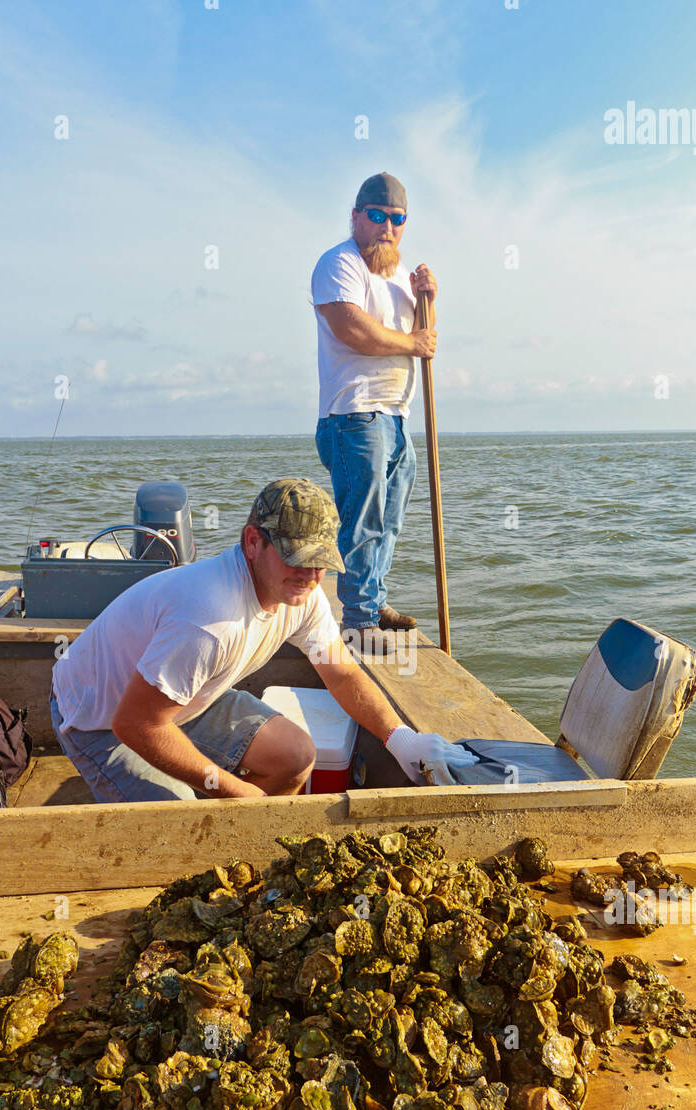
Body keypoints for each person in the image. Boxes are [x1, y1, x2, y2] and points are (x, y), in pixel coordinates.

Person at [49, 478, 474, 801]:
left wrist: (401, 739)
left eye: (321, 564)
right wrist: (238, 793)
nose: (310, 578)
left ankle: (236, 844)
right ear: (253, 542)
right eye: (298, 560)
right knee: (178, 822)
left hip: (186, 701)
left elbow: (341, 673)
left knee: (295, 756)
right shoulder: (208, 619)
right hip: (100, 720)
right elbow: (135, 723)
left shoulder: (300, 595)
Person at [311, 171, 438, 637]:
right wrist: (413, 341)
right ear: (356, 217)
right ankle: (359, 622)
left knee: (390, 519)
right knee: (362, 521)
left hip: (398, 415)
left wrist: (428, 298)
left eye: (397, 218)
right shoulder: (339, 263)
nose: (388, 226)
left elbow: (425, 339)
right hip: (355, 414)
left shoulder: (402, 277)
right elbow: (353, 330)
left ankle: (374, 599)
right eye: (378, 216)